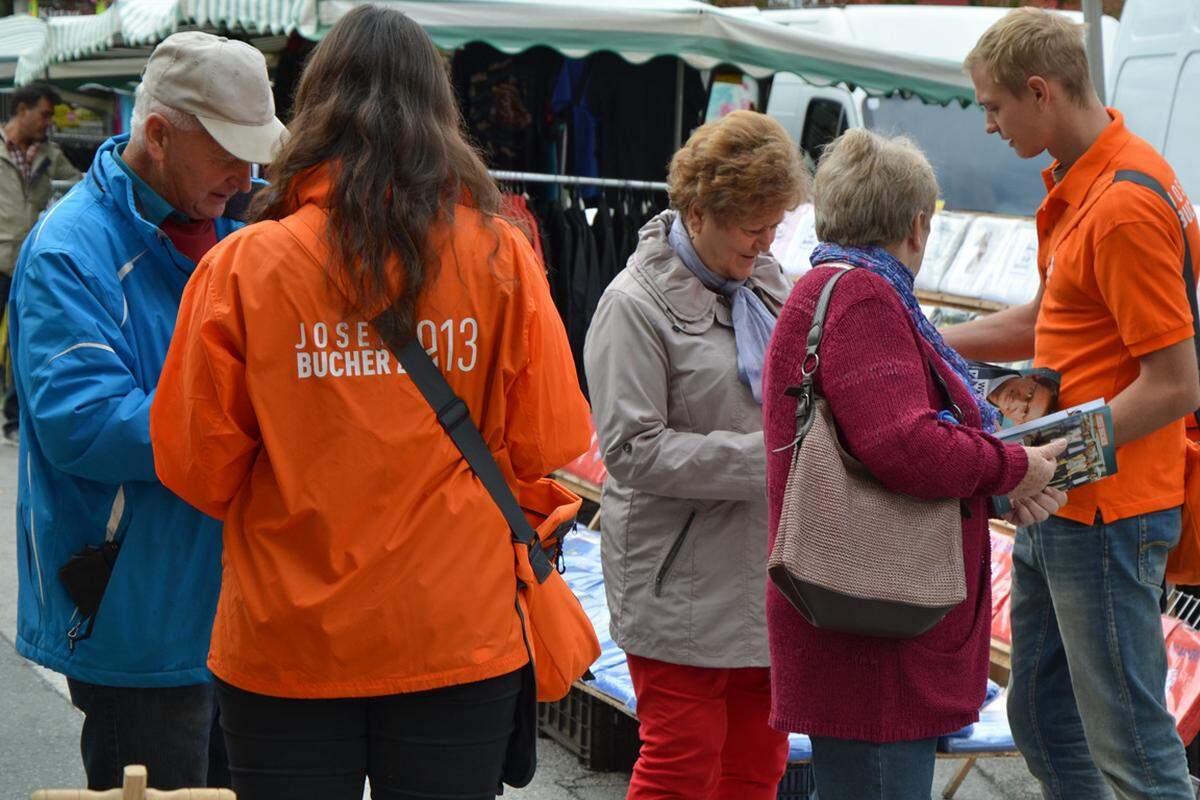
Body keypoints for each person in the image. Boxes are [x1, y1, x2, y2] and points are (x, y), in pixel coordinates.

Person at [148, 8, 592, 800]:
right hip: (456, 634)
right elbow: (550, 441)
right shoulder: (501, 256)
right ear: (439, 114)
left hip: (287, 641)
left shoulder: (244, 267)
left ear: (313, 110)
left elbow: (195, 468)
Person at [9, 33, 285, 791]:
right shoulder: (69, 251)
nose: (248, 173)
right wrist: (265, 421)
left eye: (257, 151)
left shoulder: (238, 229)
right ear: (157, 133)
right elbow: (86, 423)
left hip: (245, 610)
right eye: (230, 151)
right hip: (140, 613)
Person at [761, 128, 1067, 800]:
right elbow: (906, 446)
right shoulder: (866, 298)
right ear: (918, 226)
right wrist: (1010, 466)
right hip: (876, 630)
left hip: (862, 618)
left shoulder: (829, 288)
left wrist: (995, 478)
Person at [944, 9, 1200, 798]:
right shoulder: (1098, 180)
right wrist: (924, 336)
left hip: (1102, 507)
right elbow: (1046, 319)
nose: (988, 126)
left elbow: (1177, 382)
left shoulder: (1122, 205)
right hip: (1063, 500)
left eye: (993, 107)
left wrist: (1048, 452)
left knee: (1129, 742)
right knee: (1045, 716)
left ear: (1040, 92)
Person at [583, 110, 806, 800]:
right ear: (700, 210)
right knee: (682, 765)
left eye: (775, 223)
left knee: (756, 766)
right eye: (753, 225)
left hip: (765, 576)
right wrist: (768, 458)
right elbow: (630, 449)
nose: (767, 240)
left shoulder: (770, 282)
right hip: (676, 581)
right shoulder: (633, 305)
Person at [1, 82, 82, 444]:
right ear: (22, 110)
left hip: (27, 264)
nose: (48, 122)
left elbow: (82, 186)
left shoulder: (50, 154)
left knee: (24, 341)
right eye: (44, 113)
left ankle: (15, 419)